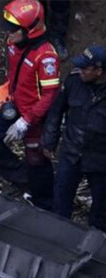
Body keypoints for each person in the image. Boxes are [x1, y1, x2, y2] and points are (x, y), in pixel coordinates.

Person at [0, 0, 59, 210]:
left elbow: (50, 95)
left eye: (13, 30)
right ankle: (25, 179)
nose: (8, 34)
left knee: (37, 159)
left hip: (35, 115)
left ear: (29, 31)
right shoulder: (14, 45)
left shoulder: (46, 56)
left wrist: (26, 121)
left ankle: (45, 202)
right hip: (15, 106)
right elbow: (14, 74)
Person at [42, 45, 106, 232]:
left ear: (99, 71)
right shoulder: (73, 81)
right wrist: (49, 140)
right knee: (61, 199)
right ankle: (58, 235)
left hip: (100, 160)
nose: (81, 71)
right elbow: (56, 111)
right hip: (71, 152)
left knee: (101, 208)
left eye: (86, 68)